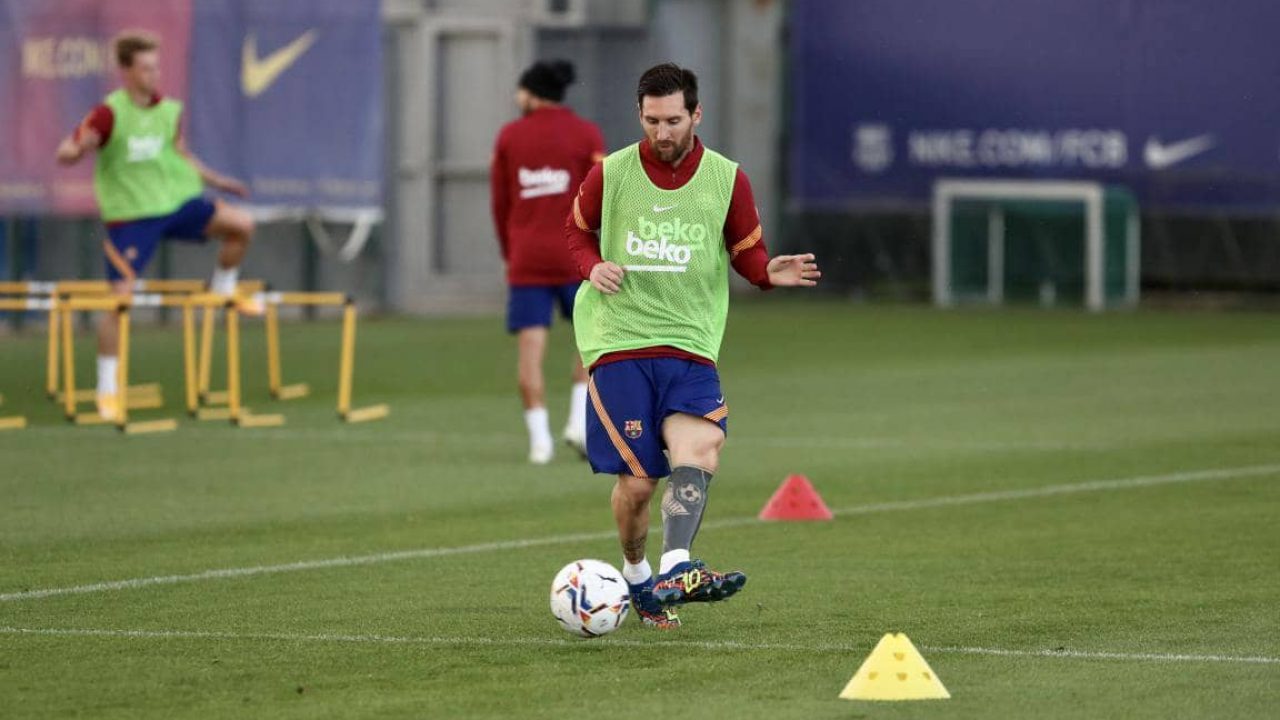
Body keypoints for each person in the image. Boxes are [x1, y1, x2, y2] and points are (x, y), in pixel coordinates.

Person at [565, 63, 820, 628]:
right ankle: (637, 577)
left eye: (673, 120)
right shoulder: (612, 173)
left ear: (696, 114)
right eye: (652, 120)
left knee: (700, 449)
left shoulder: (728, 179)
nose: (662, 132)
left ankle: (677, 567)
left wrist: (765, 273)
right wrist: (592, 265)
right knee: (638, 486)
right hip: (620, 341)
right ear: (640, 115)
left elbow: (747, 254)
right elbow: (575, 230)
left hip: (691, 343)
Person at [55, 32, 255, 421]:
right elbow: (69, 147)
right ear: (126, 71)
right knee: (120, 302)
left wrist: (218, 181)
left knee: (242, 225)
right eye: (146, 68)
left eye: (156, 66)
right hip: (132, 218)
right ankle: (108, 390)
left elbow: (182, 155)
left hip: (174, 204)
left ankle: (224, 287)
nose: (154, 74)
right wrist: (75, 151)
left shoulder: (169, 111)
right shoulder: (109, 114)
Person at [491, 60, 605, 464]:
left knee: (530, 352)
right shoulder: (586, 133)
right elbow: (601, 193)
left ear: (529, 94)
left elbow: (500, 203)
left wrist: (510, 253)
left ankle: (540, 443)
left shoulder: (510, 136)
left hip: (528, 259)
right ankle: (578, 423)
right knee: (591, 341)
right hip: (577, 256)